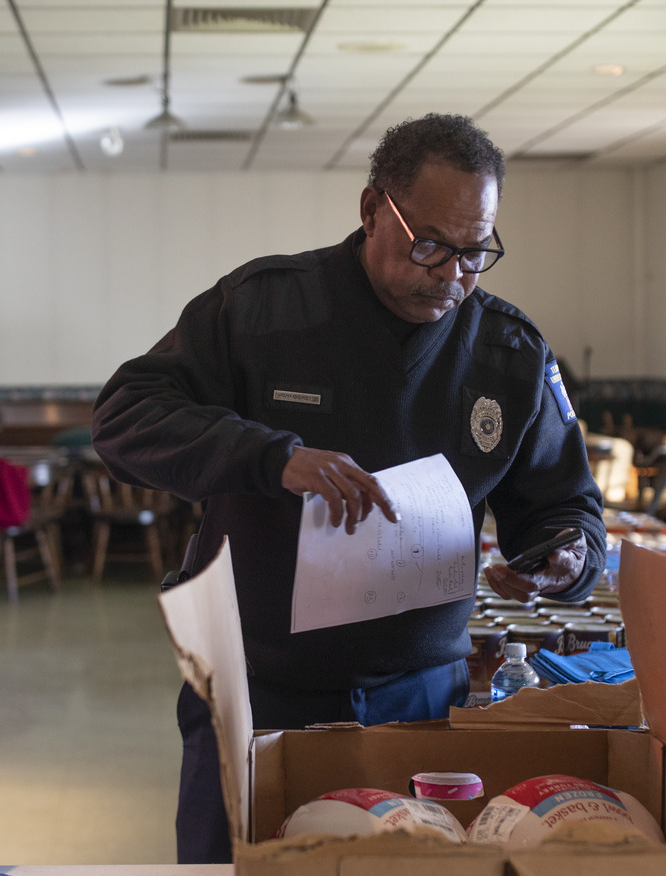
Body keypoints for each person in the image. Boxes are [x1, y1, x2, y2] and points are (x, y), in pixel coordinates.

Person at [90, 113, 606, 863]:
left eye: (474, 252)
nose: (451, 273)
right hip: (256, 687)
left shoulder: (508, 353)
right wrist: (270, 456)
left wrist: (562, 559)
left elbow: (566, 509)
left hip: (420, 699)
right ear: (371, 211)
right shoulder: (262, 308)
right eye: (428, 243)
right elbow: (124, 418)